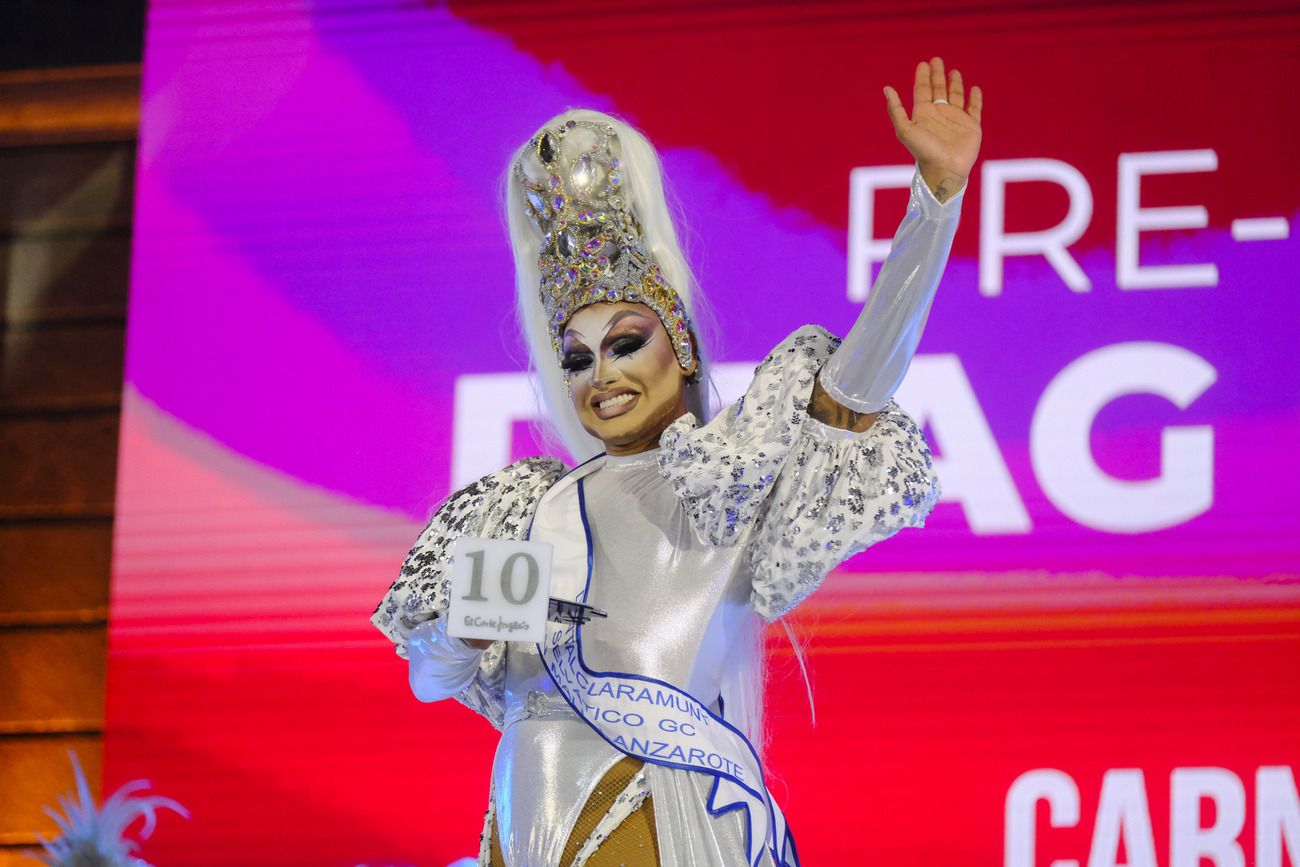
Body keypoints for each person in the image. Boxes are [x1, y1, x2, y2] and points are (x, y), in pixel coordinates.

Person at [373, 58, 983, 867]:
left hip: (665, 822)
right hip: (518, 831)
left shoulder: (725, 477)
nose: (604, 374)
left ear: (681, 347)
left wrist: (935, 201)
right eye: (579, 358)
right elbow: (432, 675)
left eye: (626, 342)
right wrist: (455, 627)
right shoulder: (521, 508)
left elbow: (861, 378)